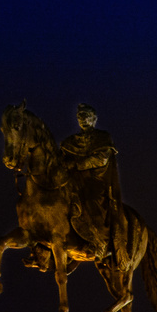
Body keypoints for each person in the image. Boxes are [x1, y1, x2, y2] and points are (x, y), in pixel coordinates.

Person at [60, 103, 121, 254]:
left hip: (95, 180)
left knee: (92, 200)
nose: (82, 119)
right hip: (74, 180)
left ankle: (100, 241)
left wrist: (76, 164)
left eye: (86, 115)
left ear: (94, 118)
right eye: (80, 116)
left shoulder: (102, 137)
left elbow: (102, 159)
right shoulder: (70, 142)